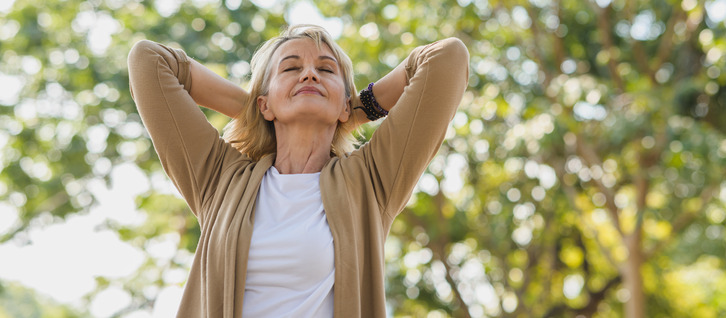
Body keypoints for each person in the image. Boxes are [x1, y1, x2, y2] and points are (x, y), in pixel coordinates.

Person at [127, 24, 469, 317]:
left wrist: (356, 110)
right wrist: (255, 110)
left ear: (343, 103)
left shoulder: (371, 180)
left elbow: (446, 59)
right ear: (264, 102)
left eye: (326, 69)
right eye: (291, 69)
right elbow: (149, 61)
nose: (309, 73)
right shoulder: (220, 178)